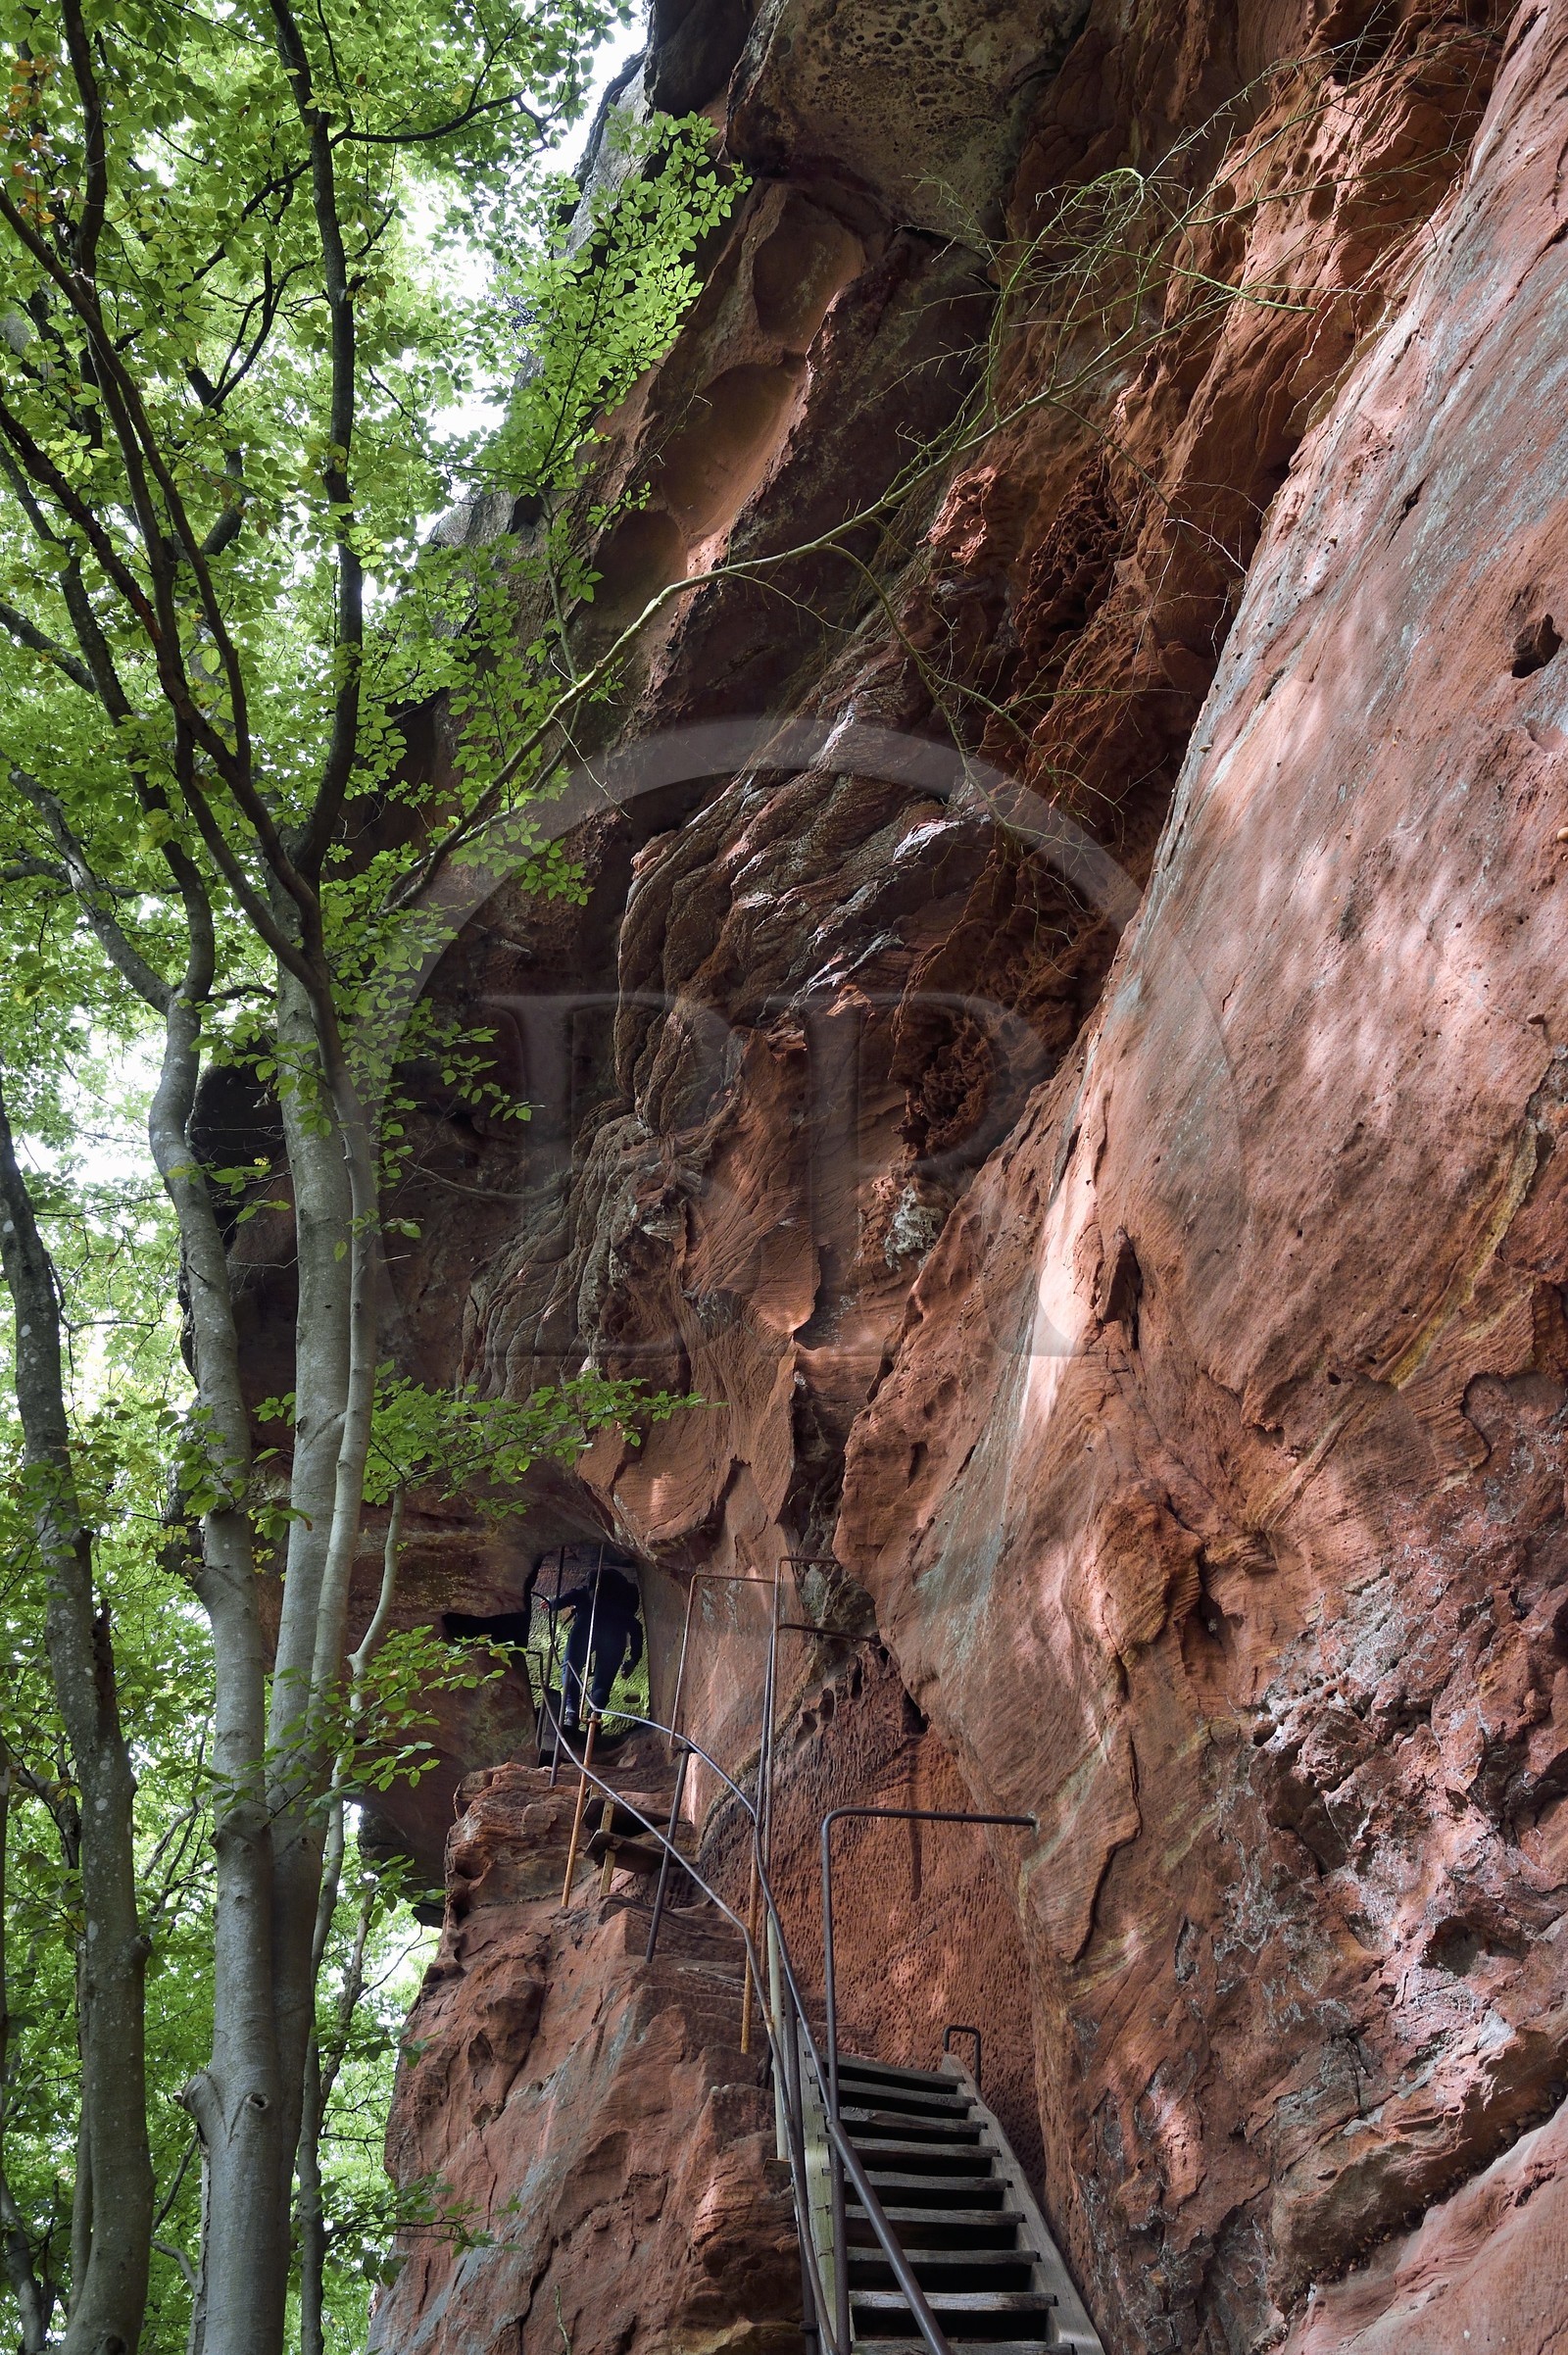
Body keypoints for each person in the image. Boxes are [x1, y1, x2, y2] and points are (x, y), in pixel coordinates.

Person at [545, 1543, 643, 1735]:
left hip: (586, 1626)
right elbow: (636, 1628)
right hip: (615, 1634)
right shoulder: (621, 1603)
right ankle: (593, 1720)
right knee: (603, 1682)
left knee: (570, 1668)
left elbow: (560, 1601)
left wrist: (549, 1603)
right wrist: (633, 1659)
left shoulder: (588, 1593)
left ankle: (571, 1714)